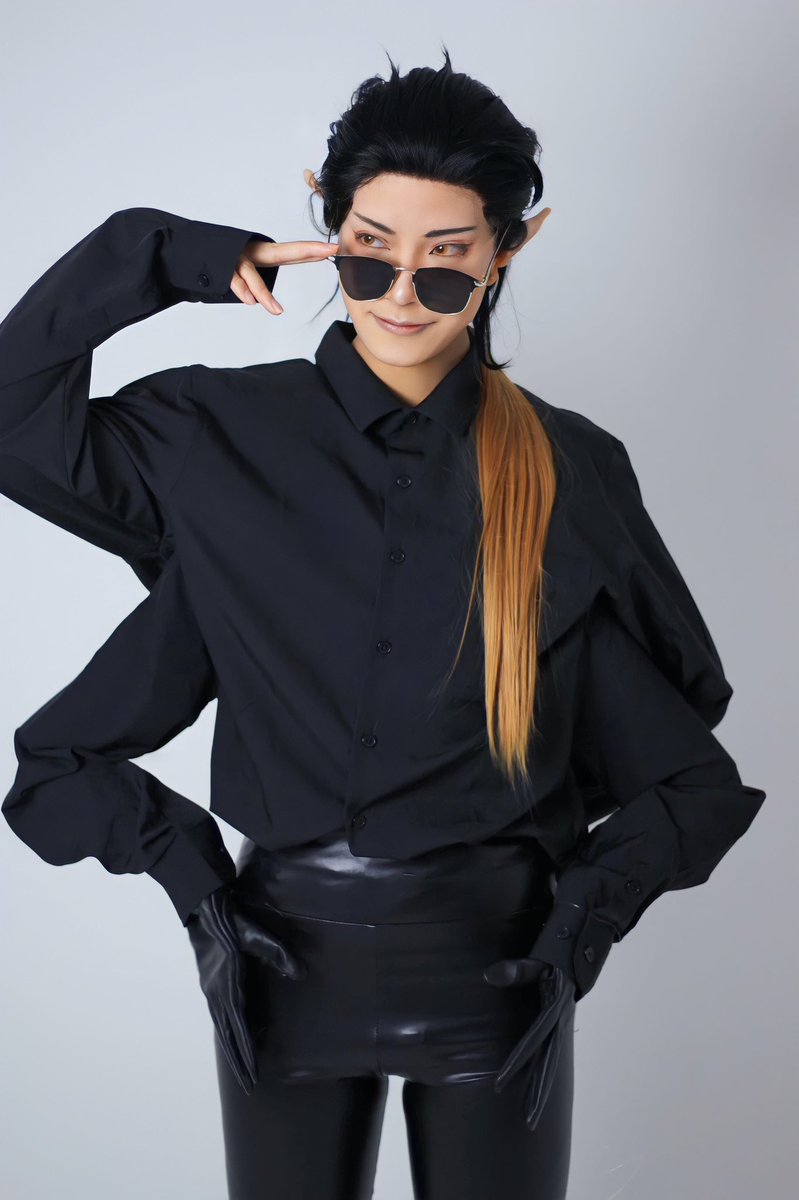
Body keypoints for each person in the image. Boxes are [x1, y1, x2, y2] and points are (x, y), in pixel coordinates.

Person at [0, 48, 766, 1200]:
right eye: (369, 253)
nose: (403, 295)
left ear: (508, 251)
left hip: (496, 976)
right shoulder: (214, 437)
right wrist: (176, 256)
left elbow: (680, 757)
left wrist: (578, 926)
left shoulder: (569, 470)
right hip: (278, 963)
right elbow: (13, 411)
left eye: (447, 263)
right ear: (325, 221)